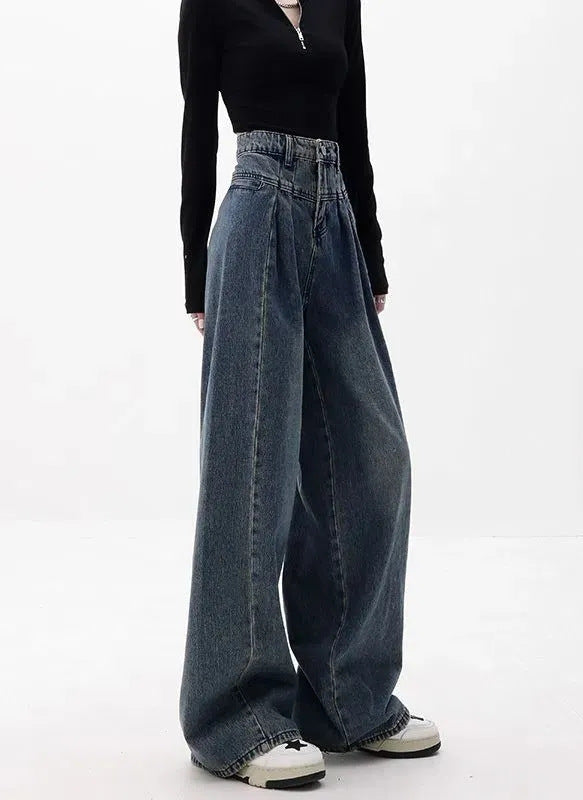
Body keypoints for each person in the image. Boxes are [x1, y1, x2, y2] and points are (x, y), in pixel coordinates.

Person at [177, 0, 441, 788]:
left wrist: (373, 256)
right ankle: (236, 719)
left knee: (376, 457)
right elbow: (195, 132)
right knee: (251, 467)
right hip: (255, 209)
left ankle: (348, 698)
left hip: (336, 223)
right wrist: (196, 273)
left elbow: (352, 126)